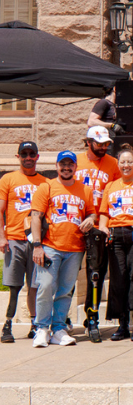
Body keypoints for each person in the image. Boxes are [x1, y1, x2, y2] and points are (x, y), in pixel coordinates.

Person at [30, 151, 96, 347]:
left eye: (70, 164)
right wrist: (36, 245)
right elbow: (35, 216)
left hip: (75, 248)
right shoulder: (47, 187)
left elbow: (92, 214)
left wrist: (90, 220)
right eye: (63, 164)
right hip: (50, 246)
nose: (66, 168)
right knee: (46, 286)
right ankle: (41, 328)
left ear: (76, 167)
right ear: (57, 166)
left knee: (66, 291)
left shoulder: (85, 190)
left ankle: (58, 328)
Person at [97, 144, 133, 342]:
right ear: (118, 164)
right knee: (118, 279)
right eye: (122, 162)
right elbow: (104, 213)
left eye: (130, 161)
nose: (126, 165)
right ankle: (122, 324)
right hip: (115, 237)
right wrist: (103, 228)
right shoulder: (111, 186)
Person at [76, 125, 119, 338]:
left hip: (100, 226)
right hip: (76, 224)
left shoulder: (113, 164)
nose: (103, 147)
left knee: (96, 274)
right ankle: (62, 318)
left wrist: (107, 224)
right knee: (70, 273)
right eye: (98, 143)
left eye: (105, 144)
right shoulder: (75, 162)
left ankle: (92, 317)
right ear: (88, 142)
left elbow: (118, 193)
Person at [0, 142, 46, 342]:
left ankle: (34, 324)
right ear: (17, 156)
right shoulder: (8, 179)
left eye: (32, 154)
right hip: (15, 240)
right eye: (24, 154)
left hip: (36, 241)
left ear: (37, 156)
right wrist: (2, 237)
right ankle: (8, 324)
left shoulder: (45, 182)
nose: (28, 157)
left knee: (35, 285)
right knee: (14, 285)